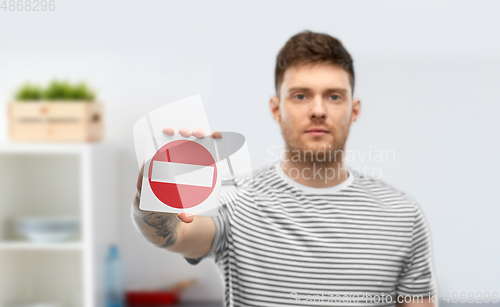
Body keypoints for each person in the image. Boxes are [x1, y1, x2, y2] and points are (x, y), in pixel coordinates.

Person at [132, 30, 438, 307]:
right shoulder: (235, 200)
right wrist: (155, 191)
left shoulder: (403, 215)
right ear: (276, 109)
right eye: (301, 95)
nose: (318, 110)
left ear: (353, 110)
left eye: (333, 96)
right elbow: (172, 234)